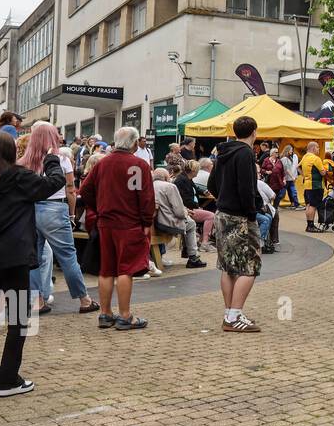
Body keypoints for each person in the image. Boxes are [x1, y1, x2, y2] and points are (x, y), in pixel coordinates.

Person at [0, 131, 65, 396]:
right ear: (9, 152)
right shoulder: (17, 177)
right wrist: (52, 159)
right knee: (18, 318)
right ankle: (8, 379)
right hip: (14, 258)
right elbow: (53, 184)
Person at [78, 126, 154, 331]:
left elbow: (84, 190)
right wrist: (147, 222)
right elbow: (146, 198)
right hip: (129, 223)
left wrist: (99, 207)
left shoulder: (102, 164)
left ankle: (105, 313)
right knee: (125, 269)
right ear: (135, 143)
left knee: (106, 269)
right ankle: (125, 315)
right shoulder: (138, 165)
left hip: (106, 222)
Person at [20, 122, 97, 315]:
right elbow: (71, 189)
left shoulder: (22, 162)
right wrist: (71, 214)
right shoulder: (61, 159)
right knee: (68, 256)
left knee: (33, 258)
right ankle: (84, 300)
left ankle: (37, 301)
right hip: (55, 209)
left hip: (30, 210)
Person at [208, 116, 265, 333]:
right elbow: (247, 187)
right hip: (240, 216)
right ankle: (235, 315)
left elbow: (212, 183)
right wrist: (251, 213)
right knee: (250, 265)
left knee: (228, 266)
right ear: (254, 132)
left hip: (222, 213)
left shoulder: (222, 152)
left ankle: (229, 313)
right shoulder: (245, 153)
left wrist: (223, 197)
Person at [152, 167, 206, 269]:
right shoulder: (170, 186)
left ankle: (187, 251)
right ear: (166, 177)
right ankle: (193, 257)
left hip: (154, 222)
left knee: (188, 222)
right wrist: (186, 212)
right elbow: (179, 212)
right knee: (191, 224)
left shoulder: (149, 185)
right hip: (166, 223)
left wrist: (184, 210)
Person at [169, 156, 211, 264]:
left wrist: (204, 191)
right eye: (197, 170)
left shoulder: (187, 178)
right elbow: (185, 199)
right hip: (188, 210)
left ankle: (192, 248)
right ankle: (204, 243)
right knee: (211, 216)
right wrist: (197, 206)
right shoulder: (182, 181)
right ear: (193, 171)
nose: (198, 172)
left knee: (194, 222)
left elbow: (195, 188)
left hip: (188, 209)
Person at [299, 141, 326, 233]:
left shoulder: (305, 157)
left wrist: (304, 176)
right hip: (316, 185)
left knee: (308, 205)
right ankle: (311, 225)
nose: (318, 149)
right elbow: (323, 172)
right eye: (318, 147)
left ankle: (309, 225)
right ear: (313, 148)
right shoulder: (316, 159)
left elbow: (297, 167)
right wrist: (326, 170)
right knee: (313, 206)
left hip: (307, 185)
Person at [255, 164, 277, 253]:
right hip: (253, 210)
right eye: (258, 172)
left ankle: (265, 240)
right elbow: (273, 196)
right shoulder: (259, 183)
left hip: (257, 208)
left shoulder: (255, 182)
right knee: (266, 219)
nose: (260, 174)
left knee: (268, 216)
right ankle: (260, 243)